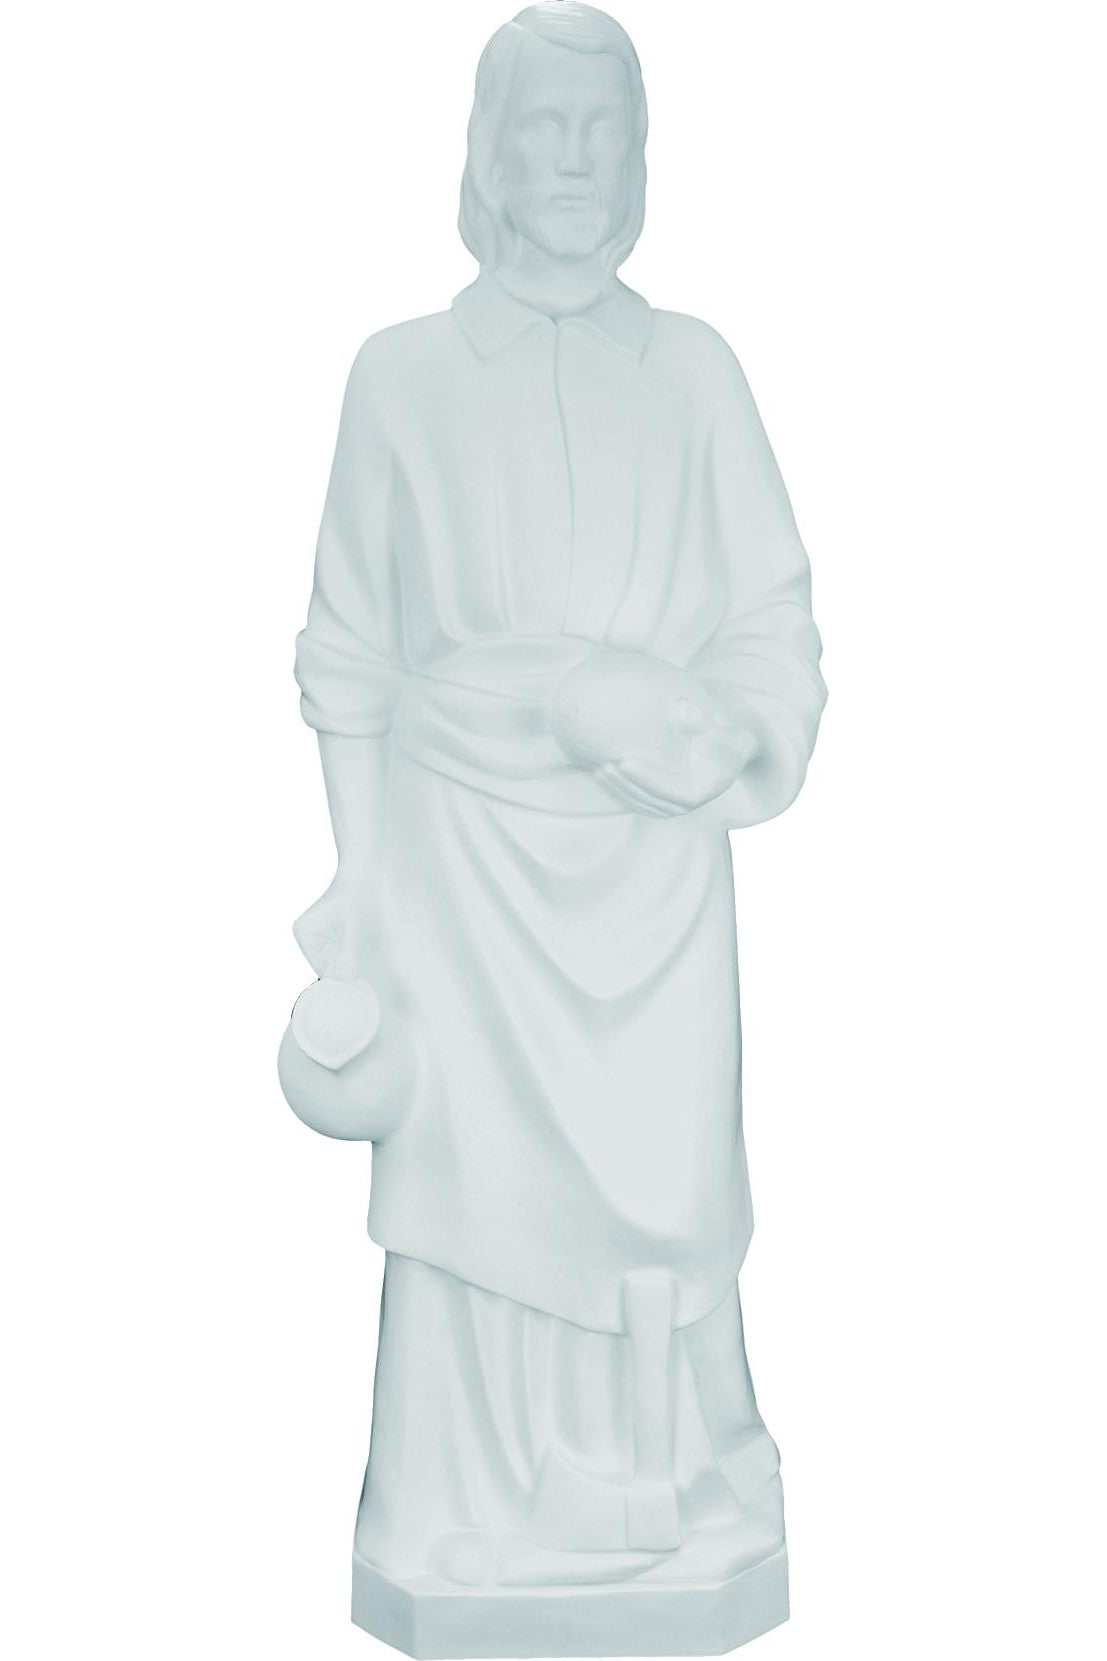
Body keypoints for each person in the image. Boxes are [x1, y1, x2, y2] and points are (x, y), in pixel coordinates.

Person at [292, 2, 825, 1635]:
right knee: (472, 1192)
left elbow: (774, 622)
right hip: (460, 868)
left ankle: (674, 1487)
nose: (576, 160)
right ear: (490, 153)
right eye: (546, 126)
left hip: (653, 873)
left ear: (641, 156)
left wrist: (713, 733)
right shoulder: (401, 377)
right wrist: (361, 892)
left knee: (670, 1186)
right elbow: (349, 655)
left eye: (605, 129)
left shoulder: (697, 372)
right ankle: (463, 1507)